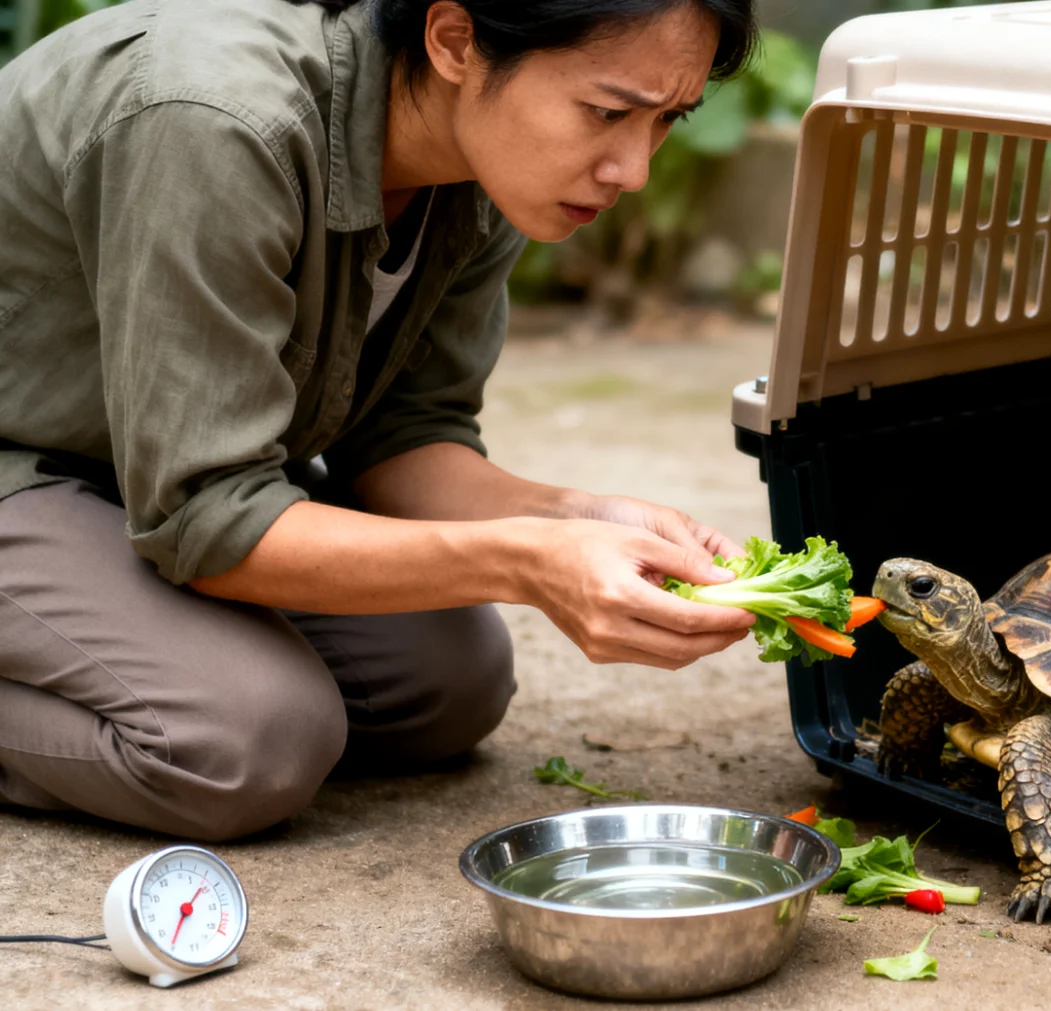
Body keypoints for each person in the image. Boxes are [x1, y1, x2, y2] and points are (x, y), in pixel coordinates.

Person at [0, 0, 762, 841]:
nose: (633, 168)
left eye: (667, 120)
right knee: (246, 738)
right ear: (454, 40)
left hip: (132, 471)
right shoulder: (216, 123)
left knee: (443, 684)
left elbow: (403, 436)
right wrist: (526, 561)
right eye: (608, 112)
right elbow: (206, 514)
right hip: (25, 462)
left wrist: (580, 521)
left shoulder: (480, 172)